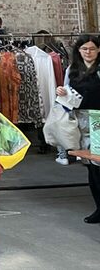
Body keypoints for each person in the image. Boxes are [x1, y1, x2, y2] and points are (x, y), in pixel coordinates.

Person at [58, 34, 100, 223]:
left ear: (98, 50)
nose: (88, 52)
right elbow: (68, 95)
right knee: (91, 167)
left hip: (98, 119)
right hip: (79, 121)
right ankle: (99, 207)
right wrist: (61, 92)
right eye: (84, 49)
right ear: (79, 51)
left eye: (92, 48)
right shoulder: (72, 70)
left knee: (98, 164)